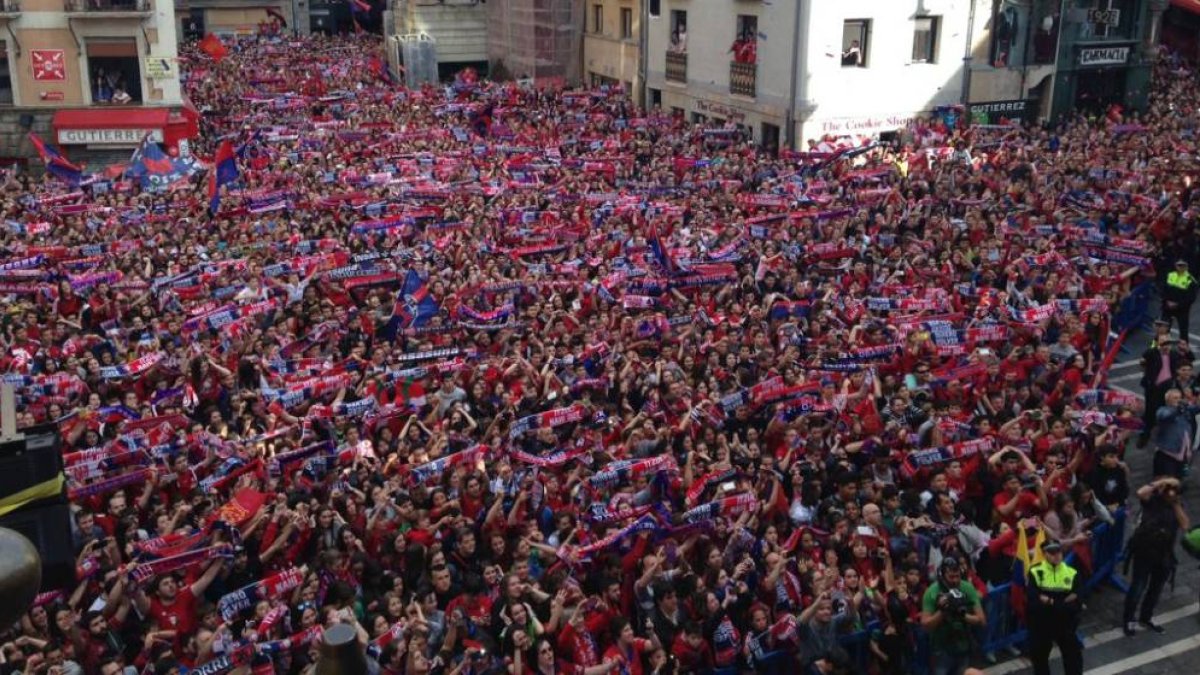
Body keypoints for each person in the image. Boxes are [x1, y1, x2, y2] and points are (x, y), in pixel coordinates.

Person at [1123, 477, 1190, 636]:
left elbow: (1185, 524)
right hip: (1145, 551)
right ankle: (1128, 619)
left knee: (1155, 589)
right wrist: (1163, 482)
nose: (1170, 494)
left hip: (1164, 554)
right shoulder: (1152, 500)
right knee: (1138, 587)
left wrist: (1175, 503)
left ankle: (1146, 617)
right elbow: (1140, 493)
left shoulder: (1176, 505)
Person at [920, 557, 985, 675]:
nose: (955, 580)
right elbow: (925, 625)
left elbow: (982, 620)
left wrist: (962, 615)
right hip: (941, 648)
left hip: (963, 645)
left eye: (958, 576)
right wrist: (943, 611)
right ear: (942, 576)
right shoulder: (932, 592)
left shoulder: (967, 588)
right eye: (951, 577)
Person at [1026, 540, 1083, 675]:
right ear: (1044, 554)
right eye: (1052, 553)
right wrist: (1062, 602)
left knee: (1073, 660)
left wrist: (1050, 601)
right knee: (1040, 660)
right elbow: (1034, 603)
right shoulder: (1035, 572)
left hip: (1065, 625)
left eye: (1058, 551)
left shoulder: (1072, 574)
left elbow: (1076, 605)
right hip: (1042, 625)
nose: (1056, 555)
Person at [1151, 388, 1200, 480]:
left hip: (1182, 454)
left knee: (1177, 481)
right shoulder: (1162, 410)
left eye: (1179, 398)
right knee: (1166, 483)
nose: (1178, 400)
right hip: (1167, 453)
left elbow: (1197, 408)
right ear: (1167, 400)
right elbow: (1166, 416)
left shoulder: (1186, 410)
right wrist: (1178, 409)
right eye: (1175, 398)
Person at [1162, 259, 1198, 340]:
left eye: (1183, 265)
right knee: (1163, 330)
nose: (1181, 267)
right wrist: (1166, 301)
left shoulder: (1191, 280)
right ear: (1175, 266)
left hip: (1182, 310)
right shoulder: (1170, 275)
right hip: (1167, 307)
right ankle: (1158, 348)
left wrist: (1178, 304)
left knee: (1183, 332)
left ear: (1187, 267)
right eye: (1179, 265)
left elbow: (1191, 298)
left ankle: (1184, 351)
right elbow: (1163, 289)